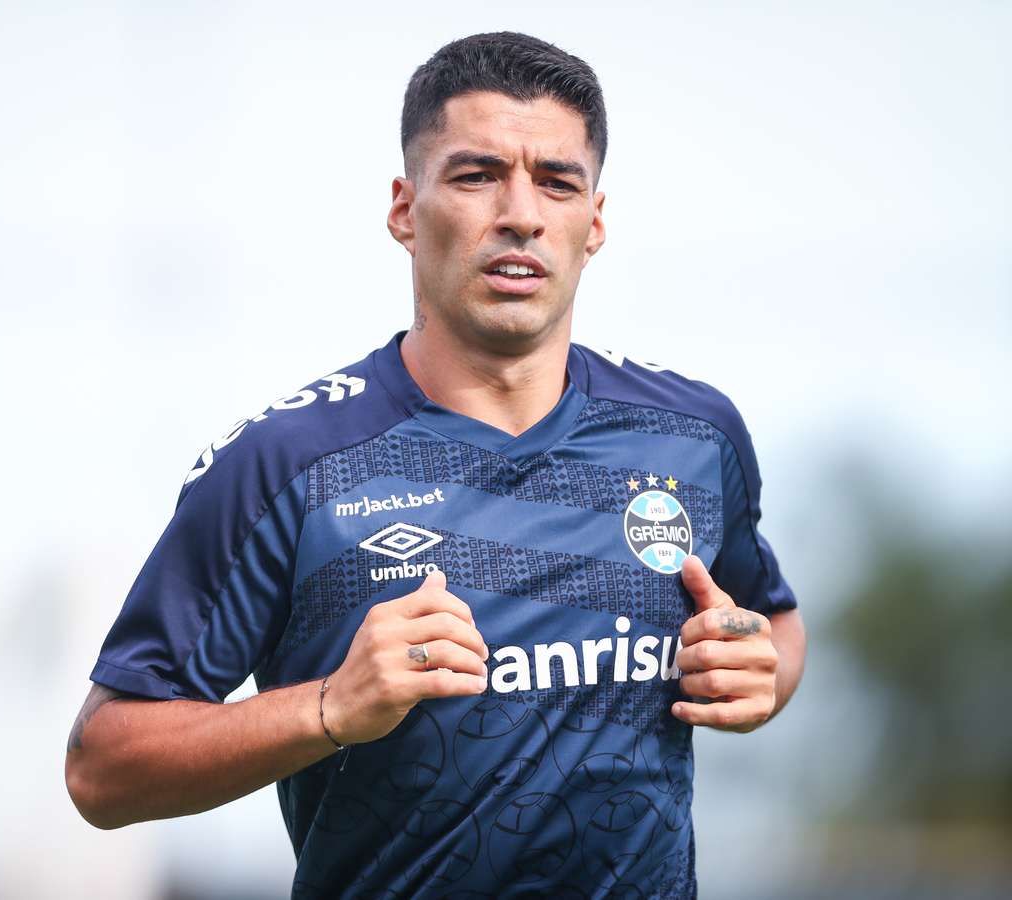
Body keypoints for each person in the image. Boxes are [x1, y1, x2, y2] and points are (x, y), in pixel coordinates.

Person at [64, 31, 807, 899]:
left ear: (594, 222)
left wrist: (759, 673)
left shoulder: (693, 437)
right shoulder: (287, 465)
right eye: (476, 174)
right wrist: (329, 707)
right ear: (405, 210)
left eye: (556, 181)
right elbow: (101, 767)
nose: (521, 213)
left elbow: (774, 626)